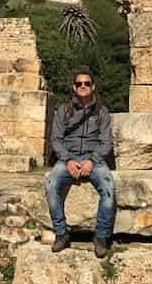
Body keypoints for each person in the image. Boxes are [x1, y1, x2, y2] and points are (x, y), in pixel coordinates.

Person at [45, 69, 116, 257]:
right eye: (79, 84)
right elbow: (56, 140)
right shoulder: (63, 110)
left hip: (94, 159)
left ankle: (100, 237)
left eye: (86, 83)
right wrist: (67, 160)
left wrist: (92, 161)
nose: (83, 86)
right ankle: (61, 234)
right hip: (68, 157)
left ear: (93, 87)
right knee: (51, 185)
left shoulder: (102, 112)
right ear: (74, 88)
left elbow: (106, 142)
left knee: (108, 190)